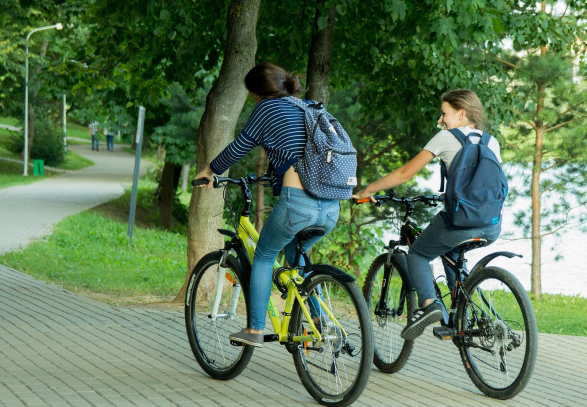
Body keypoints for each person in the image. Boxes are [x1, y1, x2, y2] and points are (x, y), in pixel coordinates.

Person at [193, 62, 340, 348]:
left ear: (259, 92)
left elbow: (240, 146)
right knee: (296, 257)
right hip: (331, 206)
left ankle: (254, 330)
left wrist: (209, 171)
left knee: (262, 258)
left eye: (252, 94)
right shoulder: (307, 107)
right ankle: (318, 321)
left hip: (298, 204)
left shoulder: (267, 108)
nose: (253, 100)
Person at [352, 89, 503, 341]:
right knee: (450, 252)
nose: (441, 119)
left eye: (444, 113)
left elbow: (404, 174)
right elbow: (483, 186)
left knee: (419, 253)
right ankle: (459, 320)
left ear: (461, 113)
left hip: (459, 224)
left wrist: (367, 190)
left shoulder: (445, 138)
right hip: (491, 225)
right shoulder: (492, 141)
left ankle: (430, 304)